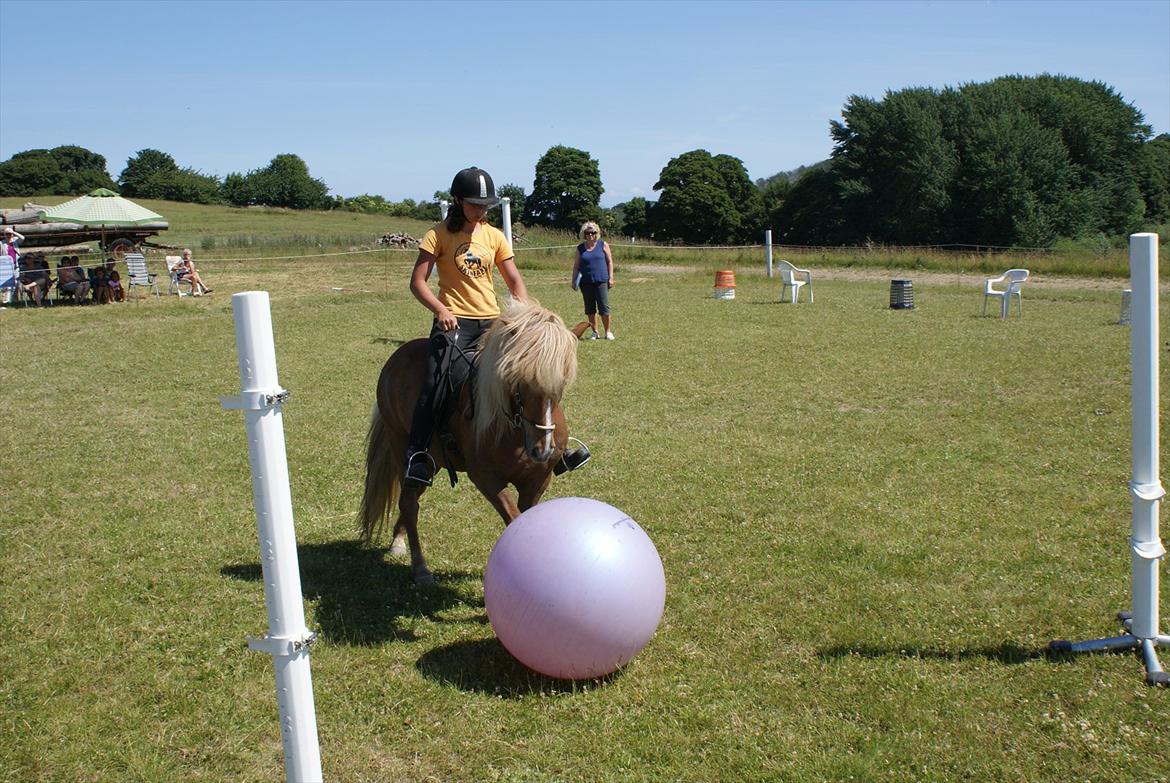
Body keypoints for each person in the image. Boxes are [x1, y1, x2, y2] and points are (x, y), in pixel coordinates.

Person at [403, 167, 529, 487]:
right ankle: (417, 454)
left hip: (491, 321)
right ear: (458, 201)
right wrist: (440, 309)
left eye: (485, 205)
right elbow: (418, 282)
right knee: (434, 382)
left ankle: (554, 444)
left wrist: (523, 314)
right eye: (475, 204)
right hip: (454, 321)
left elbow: (513, 279)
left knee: (531, 373)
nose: (481, 210)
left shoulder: (494, 236)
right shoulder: (437, 234)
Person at [570, 221, 616, 340]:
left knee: (604, 307)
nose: (590, 235)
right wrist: (573, 280)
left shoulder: (603, 244)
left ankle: (608, 332)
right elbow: (576, 266)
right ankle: (595, 332)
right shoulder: (580, 248)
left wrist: (611, 277)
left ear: (597, 233)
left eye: (593, 232)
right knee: (590, 308)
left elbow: (609, 262)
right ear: (584, 234)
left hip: (601, 280)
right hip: (586, 282)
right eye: (588, 232)